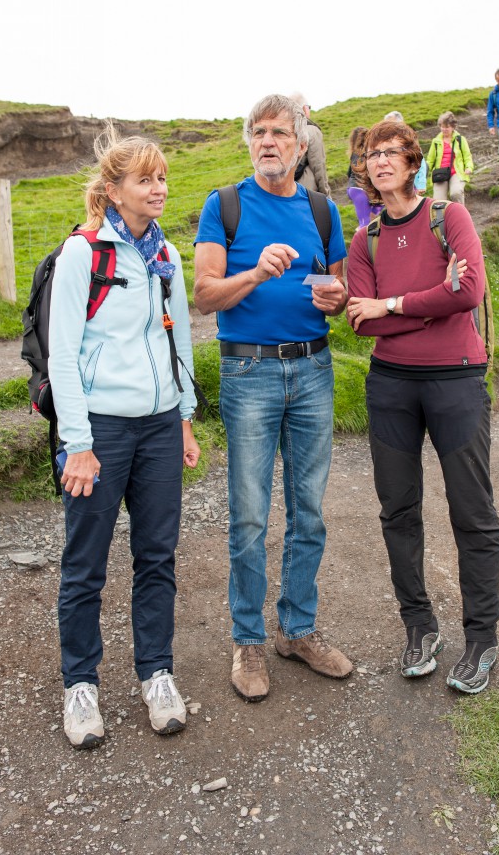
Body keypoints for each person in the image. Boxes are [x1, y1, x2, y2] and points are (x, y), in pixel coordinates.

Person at [194, 94, 353, 702]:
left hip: (313, 370)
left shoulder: (320, 210)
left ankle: (298, 630)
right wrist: (256, 274)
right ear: (248, 142)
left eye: (280, 133)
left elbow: (336, 286)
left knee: (308, 510)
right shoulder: (226, 206)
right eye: (258, 133)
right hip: (249, 374)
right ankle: (248, 640)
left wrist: (333, 301)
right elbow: (204, 297)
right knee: (251, 514)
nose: (268, 142)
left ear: (300, 141)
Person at [49, 127, 200, 749]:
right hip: (101, 431)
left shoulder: (166, 256)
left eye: (162, 178)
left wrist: (185, 415)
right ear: (113, 189)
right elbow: (63, 354)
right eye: (146, 179)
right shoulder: (83, 252)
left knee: (157, 558)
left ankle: (156, 674)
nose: (159, 189)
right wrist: (78, 442)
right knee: (85, 564)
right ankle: (79, 684)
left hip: (161, 425)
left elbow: (181, 338)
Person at [346, 119, 499, 695]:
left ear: (414, 163)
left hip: (456, 380)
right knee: (398, 511)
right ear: (364, 168)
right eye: (371, 153)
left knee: (472, 510)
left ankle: (482, 638)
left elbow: (469, 293)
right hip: (391, 385)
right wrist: (422, 304)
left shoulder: (448, 217)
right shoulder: (366, 239)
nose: (380, 160)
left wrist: (390, 304)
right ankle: (420, 628)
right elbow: (360, 323)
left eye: (392, 152)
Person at [426, 111, 474, 205]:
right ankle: (441, 220)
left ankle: (460, 217)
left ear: (453, 127)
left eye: (447, 127)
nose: (444, 129)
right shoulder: (435, 141)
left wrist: (469, 167)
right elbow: (430, 160)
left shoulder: (460, 139)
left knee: (456, 193)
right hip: (440, 174)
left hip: (456, 172)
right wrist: (424, 172)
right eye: (442, 127)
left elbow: (467, 156)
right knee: (439, 202)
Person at [289, 91, 331, 196]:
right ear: (304, 108)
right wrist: (326, 196)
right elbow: (318, 166)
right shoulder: (311, 131)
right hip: (305, 193)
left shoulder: (283, 132)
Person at [384, 110, 428, 192]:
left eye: (391, 124)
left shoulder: (410, 141)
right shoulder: (383, 143)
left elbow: (420, 163)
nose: (388, 128)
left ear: (400, 124)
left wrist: (421, 184)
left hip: (410, 185)